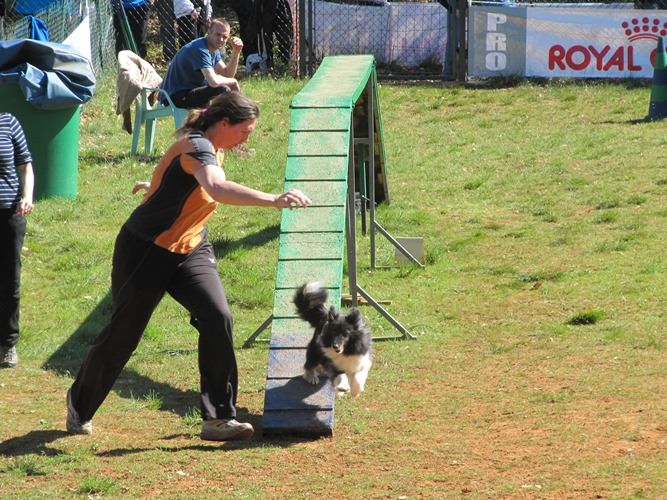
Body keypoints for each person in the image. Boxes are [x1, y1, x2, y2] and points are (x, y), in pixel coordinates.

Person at [65, 91, 311, 441]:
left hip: (191, 245)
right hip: (146, 250)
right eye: (245, 131)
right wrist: (273, 200)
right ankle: (79, 403)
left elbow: (176, 176)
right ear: (223, 123)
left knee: (217, 316)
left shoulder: (212, 145)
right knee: (123, 336)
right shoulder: (196, 145)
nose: (247, 138)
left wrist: (155, 185)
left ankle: (218, 419)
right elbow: (217, 187)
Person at [0, 113, 34, 369]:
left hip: (10, 213)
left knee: (10, 278)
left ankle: (8, 344)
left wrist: (27, 196)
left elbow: (26, 165)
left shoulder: (9, 122)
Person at [160, 18, 243, 110]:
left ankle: (231, 120)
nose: (221, 39)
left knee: (224, 88)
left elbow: (227, 74)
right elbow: (213, 82)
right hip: (173, 96)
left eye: (224, 37)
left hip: (189, 91)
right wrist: (233, 82)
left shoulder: (213, 49)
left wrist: (236, 52)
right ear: (209, 32)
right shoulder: (200, 49)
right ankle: (229, 121)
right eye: (218, 34)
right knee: (222, 90)